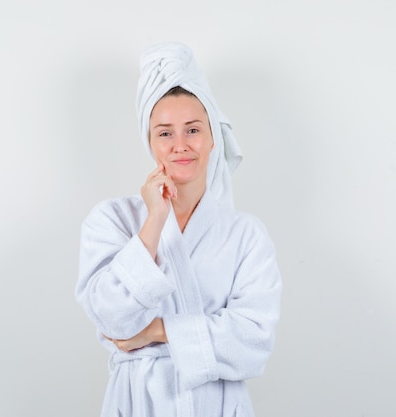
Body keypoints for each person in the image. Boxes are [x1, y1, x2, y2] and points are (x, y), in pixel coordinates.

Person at [75, 42, 282, 417]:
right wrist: (154, 220)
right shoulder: (111, 220)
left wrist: (156, 331)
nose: (180, 146)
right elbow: (112, 319)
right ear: (150, 141)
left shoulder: (246, 235)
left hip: (218, 405)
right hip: (137, 403)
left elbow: (253, 343)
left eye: (193, 130)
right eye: (165, 133)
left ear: (213, 137)